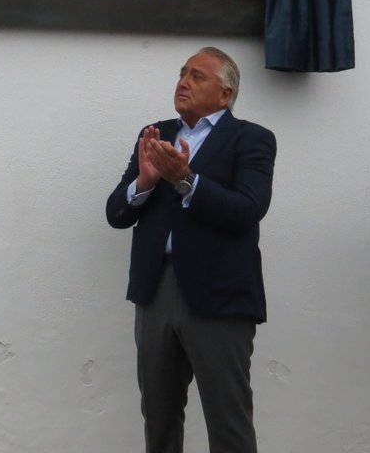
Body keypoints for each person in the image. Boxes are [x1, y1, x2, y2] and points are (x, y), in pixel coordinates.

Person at [106, 47, 276, 453]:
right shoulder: (156, 134)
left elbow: (249, 209)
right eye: (182, 73)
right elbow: (116, 213)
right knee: (159, 418)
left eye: (197, 76)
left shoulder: (251, 138)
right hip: (155, 291)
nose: (183, 81)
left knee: (227, 421)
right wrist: (145, 182)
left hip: (219, 296)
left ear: (225, 94)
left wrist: (186, 179)